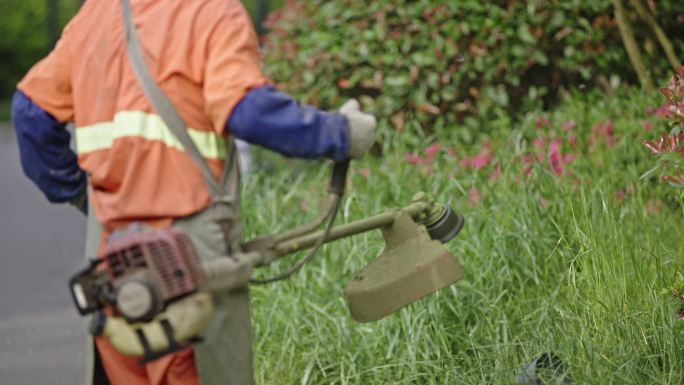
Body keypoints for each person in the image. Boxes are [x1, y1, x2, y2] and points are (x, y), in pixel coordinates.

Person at [11, 1, 376, 385]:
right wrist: (341, 133)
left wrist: (87, 198)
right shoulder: (211, 11)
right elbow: (246, 110)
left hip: (112, 265)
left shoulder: (95, 16)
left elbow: (30, 114)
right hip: (188, 261)